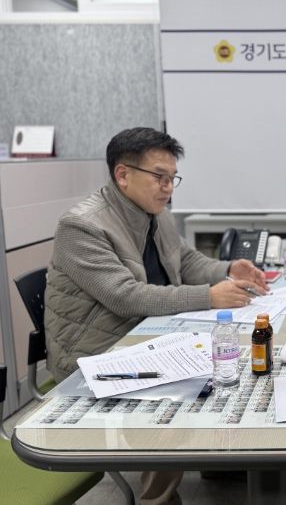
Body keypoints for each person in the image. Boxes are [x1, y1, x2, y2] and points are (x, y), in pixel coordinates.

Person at [44, 127, 268, 505]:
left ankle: (220, 461)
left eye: (172, 178)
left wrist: (228, 270)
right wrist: (208, 296)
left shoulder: (156, 213)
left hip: (151, 331)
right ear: (123, 174)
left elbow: (185, 260)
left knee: (240, 358)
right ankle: (157, 499)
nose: (168, 188)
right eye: (159, 177)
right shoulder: (82, 226)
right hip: (100, 350)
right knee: (176, 395)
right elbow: (124, 296)